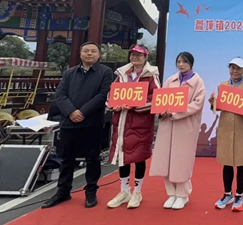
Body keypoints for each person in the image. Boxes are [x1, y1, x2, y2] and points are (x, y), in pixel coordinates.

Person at [41, 42, 114, 209]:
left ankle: (91, 192)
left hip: (92, 122)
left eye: (93, 51)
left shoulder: (105, 72)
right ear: (80, 54)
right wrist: (71, 112)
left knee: (92, 158)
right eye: (86, 51)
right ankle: (63, 191)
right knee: (66, 158)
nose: (89, 54)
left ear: (99, 55)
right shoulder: (70, 72)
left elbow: (103, 95)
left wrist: (82, 112)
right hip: (69, 121)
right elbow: (60, 94)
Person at [107, 45, 160, 209]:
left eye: (139, 55)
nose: (135, 57)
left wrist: (136, 105)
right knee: (122, 157)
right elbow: (111, 94)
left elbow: (156, 97)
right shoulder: (122, 74)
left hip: (140, 123)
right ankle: (124, 191)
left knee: (138, 156)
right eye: (132, 54)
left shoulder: (150, 75)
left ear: (146, 57)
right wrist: (113, 105)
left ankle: (137, 191)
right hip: (122, 122)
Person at [150, 52, 205, 209]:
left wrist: (175, 113)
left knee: (181, 161)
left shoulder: (198, 82)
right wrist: (162, 111)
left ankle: (182, 195)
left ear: (191, 64)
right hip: (168, 126)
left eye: (184, 62)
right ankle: (171, 194)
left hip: (185, 126)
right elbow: (161, 100)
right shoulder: (170, 80)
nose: (181, 64)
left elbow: (197, 104)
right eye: (179, 61)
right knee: (166, 160)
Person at [209, 57, 243, 212]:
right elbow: (218, 107)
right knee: (227, 162)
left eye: (238, 68)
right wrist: (212, 103)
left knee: (241, 162)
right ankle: (227, 194)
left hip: (242, 127)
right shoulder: (222, 86)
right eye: (232, 68)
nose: (235, 71)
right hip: (225, 127)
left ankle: (239, 195)